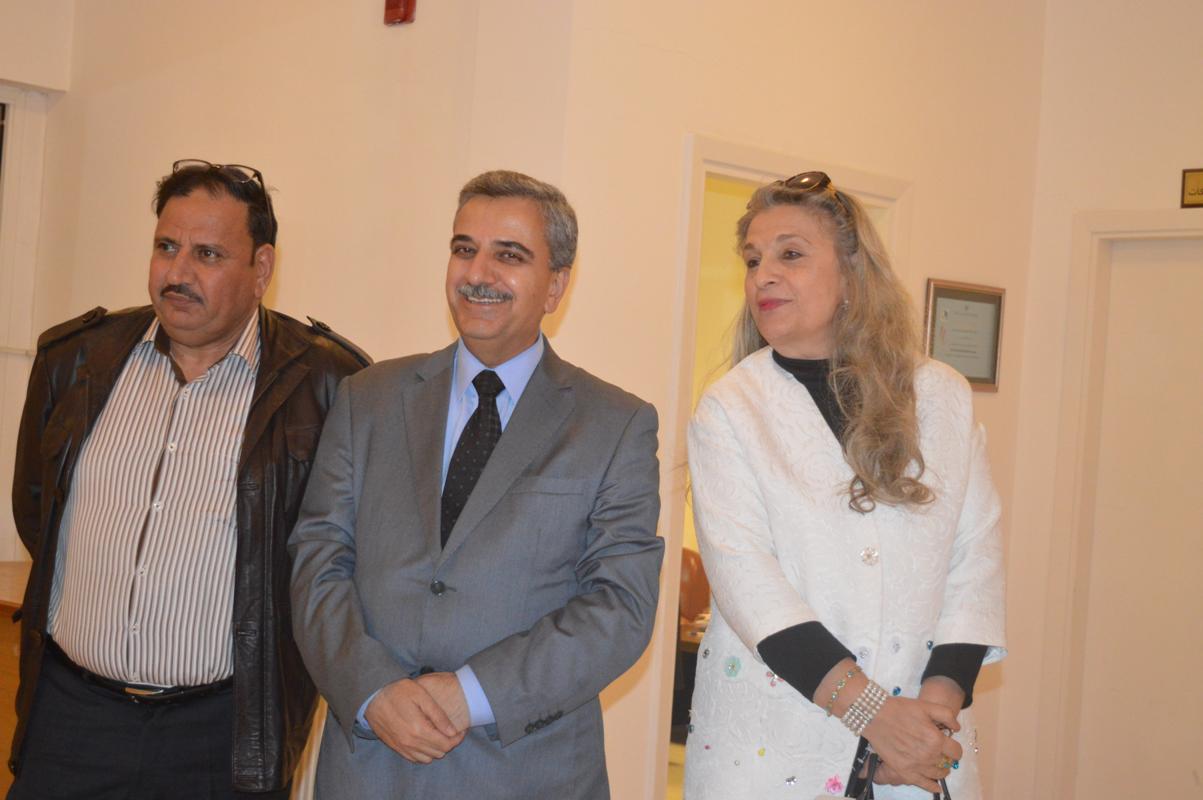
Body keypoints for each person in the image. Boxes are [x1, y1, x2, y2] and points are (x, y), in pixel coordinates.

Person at [289, 169, 664, 799]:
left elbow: (620, 606)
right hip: (370, 766)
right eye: (464, 248)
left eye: (509, 255)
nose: (477, 273)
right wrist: (372, 689)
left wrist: (471, 695)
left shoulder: (615, 424)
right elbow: (317, 559)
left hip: (527, 773)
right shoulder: (367, 398)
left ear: (556, 286)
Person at [9, 160, 370, 799]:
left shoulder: (328, 387)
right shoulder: (78, 359)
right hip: (70, 720)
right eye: (166, 247)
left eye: (208, 254)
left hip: (222, 736)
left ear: (261, 268)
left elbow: (338, 563)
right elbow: (37, 509)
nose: (177, 273)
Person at [683, 171, 1006, 799]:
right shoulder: (730, 409)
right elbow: (748, 583)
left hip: (924, 748)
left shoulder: (940, 395)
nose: (763, 275)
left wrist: (932, 718)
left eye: (790, 254)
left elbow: (977, 561)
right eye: (753, 259)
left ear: (854, 274)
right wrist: (874, 718)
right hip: (777, 747)